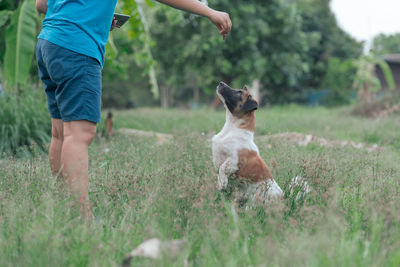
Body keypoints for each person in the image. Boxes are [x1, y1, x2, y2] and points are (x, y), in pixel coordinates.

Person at [35, 0, 231, 218]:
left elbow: (41, 4)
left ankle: (63, 209)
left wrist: (94, 15)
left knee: (60, 133)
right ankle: (80, 219)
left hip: (49, 43)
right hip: (76, 46)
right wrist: (209, 11)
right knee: (79, 135)